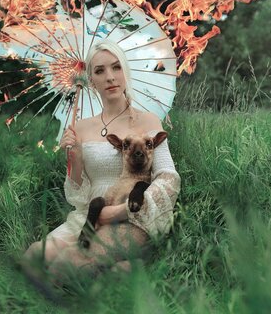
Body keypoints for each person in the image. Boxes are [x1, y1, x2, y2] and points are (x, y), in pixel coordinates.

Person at [24, 39, 181, 279]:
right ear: (90, 80)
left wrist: (122, 211)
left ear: (125, 72)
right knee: (35, 255)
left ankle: (114, 270)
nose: (110, 77)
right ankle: (115, 271)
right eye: (99, 71)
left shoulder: (147, 122)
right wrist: (74, 157)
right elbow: (76, 195)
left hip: (132, 217)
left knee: (65, 268)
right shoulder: (82, 128)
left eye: (116, 67)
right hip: (90, 218)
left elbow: (168, 179)